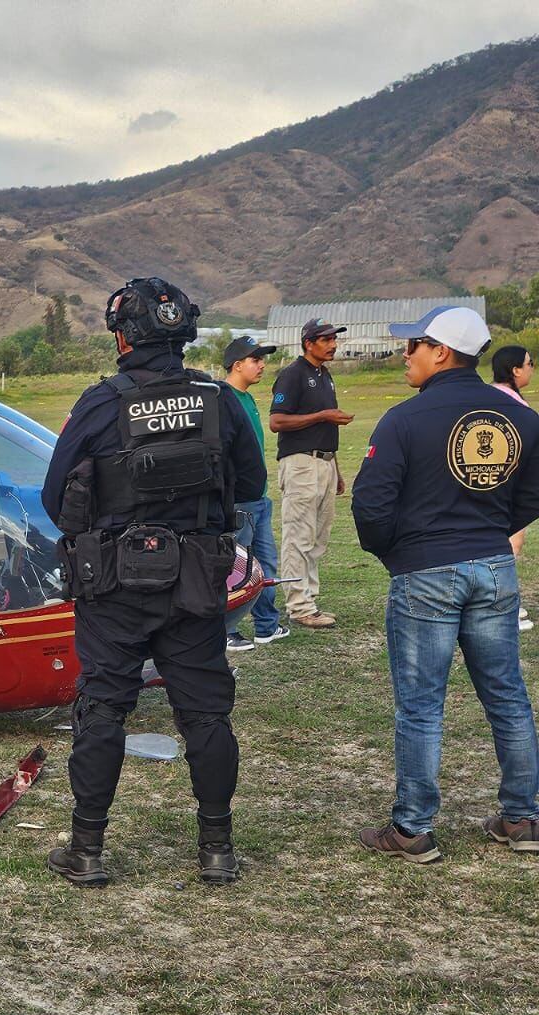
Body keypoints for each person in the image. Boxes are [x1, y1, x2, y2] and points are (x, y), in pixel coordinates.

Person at [42, 277, 267, 886]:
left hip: (113, 583)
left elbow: (52, 493)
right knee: (205, 714)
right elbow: (250, 487)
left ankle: (86, 849)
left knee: (103, 708)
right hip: (196, 580)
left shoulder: (100, 402)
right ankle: (216, 848)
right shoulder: (218, 399)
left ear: (123, 336)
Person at [351, 307, 539, 862]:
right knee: (508, 697)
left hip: (426, 571)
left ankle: (412, 828)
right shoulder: (521, 418)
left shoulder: (405, 419)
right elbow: (532, 494)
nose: (405, 355)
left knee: (421, 706)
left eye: (414, 346)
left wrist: (396, 551)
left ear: (440, 351)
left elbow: (370, 504)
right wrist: (494, 529)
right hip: (493, 566)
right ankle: (523, 817)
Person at [269, 318, 354, 629]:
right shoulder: (292, 375)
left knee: (318, 537)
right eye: (326, 339)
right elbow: (277, 421)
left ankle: (309, 600)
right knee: (298, 537)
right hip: (301, 464)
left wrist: (336, 469)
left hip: (325, 463)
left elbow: (325, 427)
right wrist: (322, 415)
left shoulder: (324, 375)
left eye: (334, 339)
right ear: (308, 343)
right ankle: (298, 605)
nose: (332, 345)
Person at [220, 336, 287, 651]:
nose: (262, 365)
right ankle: (227, 630)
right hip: (240, 501)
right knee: (234, 568)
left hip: (260, 499)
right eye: (255, 360)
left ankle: (266, 626)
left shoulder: (247, 398)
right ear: (237, 365)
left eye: (262, 359)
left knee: (266, 565)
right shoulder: (224, 400)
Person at [491, 345, 536, 629]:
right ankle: (504, 606)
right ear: (515, 370)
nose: (532, 368)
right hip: (507, 486)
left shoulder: (487, 395)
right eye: (530, 364)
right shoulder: (513, 405)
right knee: (509, 544)